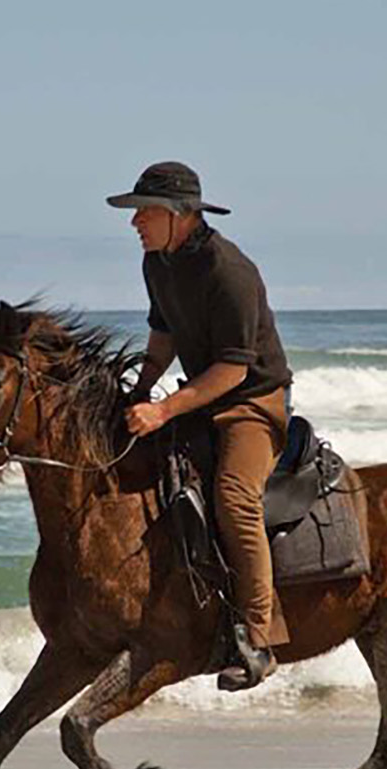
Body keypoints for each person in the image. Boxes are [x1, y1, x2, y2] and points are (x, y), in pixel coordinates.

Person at [108, 161, 294, 691]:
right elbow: (163, 337)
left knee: (234, 498)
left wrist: (164, 410)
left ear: (179, 215)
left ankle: (259, 642)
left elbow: (233, 370)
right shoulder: (157, 263)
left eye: (143, 211)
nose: (134, 222)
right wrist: (140, 391)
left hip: (253, 402)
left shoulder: (229, 271)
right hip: (203, 398)